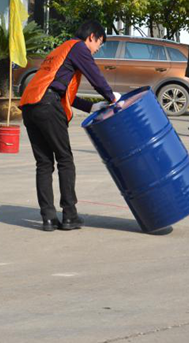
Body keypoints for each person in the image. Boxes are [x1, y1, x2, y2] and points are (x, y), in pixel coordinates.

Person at [19, 20, 121, 232]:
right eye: (99, 44)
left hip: (30, 105)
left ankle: (48, 218)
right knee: (65, 159)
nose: (97, 50)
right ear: (91, 36)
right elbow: (95, 76)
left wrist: (91, 108)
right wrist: (112, 97)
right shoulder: (78, 47)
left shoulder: (62, 49)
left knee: (44, 163)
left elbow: (61, 89)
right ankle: (69, 215)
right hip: (47, 104)